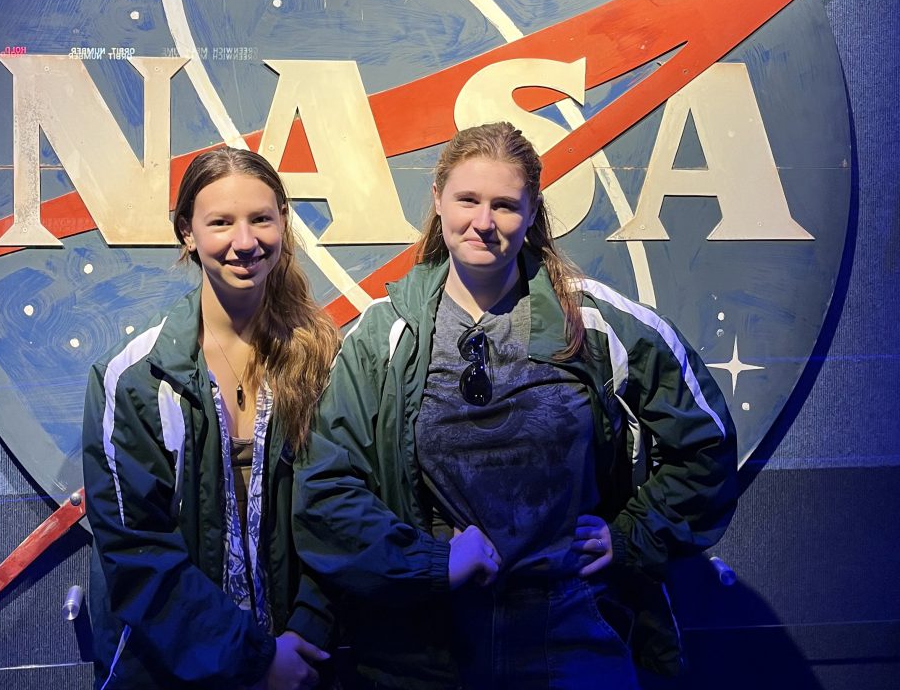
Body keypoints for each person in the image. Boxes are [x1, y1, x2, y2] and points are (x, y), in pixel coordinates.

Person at [293, 122, 738, 689]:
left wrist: (632, 538)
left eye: (505, 205)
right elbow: (326, 493)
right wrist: (432, 565)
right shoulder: (383, 337)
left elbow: (708, 443)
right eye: (468, 200)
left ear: (532, 213)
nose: (484, 222)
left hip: (573, 637)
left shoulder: (593, 325)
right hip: (430, 649)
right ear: (437, 200)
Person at [82, 147, 341, 689]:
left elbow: (343, 511)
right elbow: (137, 554)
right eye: (221, 222)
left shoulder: (328, 361)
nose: (244, 242)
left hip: (306, 665)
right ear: (187, 232)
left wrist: (303, 637)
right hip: (174, 672)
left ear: (283, 223)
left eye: (260, 219)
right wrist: (255, 661)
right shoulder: (135, 379)